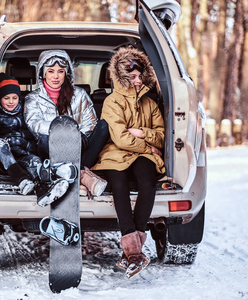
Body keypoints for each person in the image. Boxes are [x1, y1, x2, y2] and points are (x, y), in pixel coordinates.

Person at [91, 47, 165, 278]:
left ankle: (133, 249)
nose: (138, 80)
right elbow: (120, 137)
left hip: (141, 155)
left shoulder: (150, 103)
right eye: (132, 77)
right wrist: (148, 144)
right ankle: (133, 251)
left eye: (140, 76)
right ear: (122, 77)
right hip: (115, 153)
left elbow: (161, 135)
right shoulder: (113, 101)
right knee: (120, 186)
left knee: (148, 183)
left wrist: (142, 133)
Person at [24, 50, 109, 198]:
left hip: (80, 144)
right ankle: (82, 177)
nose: (55, 76)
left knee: (103, 126)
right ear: (43, 74)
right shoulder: (33, 98)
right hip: (51, 145)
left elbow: (91, 122)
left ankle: (71, 177)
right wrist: (61, 133)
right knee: (43, 140)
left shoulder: (80, 94)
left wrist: (76, 137)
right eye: (51, 71)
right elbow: (34, 124)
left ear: (66, 73)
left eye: (60, 71)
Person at [0, 72, 76, 207]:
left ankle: (43, 189)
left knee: (35, 161)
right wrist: (7, 141)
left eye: (14, 97)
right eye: (6, 98)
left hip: (26, 152)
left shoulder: (26, 111)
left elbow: (35, 130)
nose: (11, 102)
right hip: (9, 154)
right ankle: (22, 180)